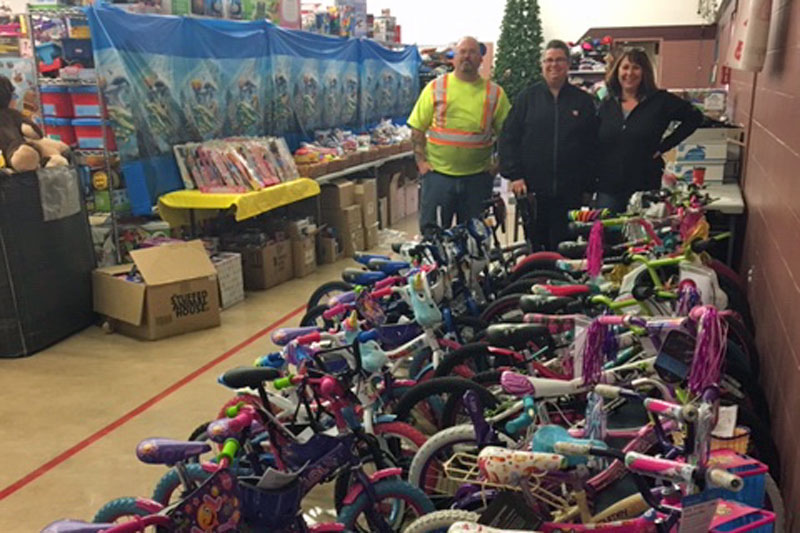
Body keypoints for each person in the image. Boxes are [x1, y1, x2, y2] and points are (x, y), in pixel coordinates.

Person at [498, 40, 598, 251]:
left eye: (560, 60)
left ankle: (564, 284)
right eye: (549, 60)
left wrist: (589, 186)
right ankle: (536, 281)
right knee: (536, 247)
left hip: (571, 191)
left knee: (566, 246)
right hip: (533, 190)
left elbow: (592, 147)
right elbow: (508, 138)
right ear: (542, 65)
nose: (554, 65)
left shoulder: (583, 102)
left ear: (568, 64)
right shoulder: (527, 99)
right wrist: (515, 175)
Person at [407, 36, 511, 234]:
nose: (467, 57)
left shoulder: (495, 93)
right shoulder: (436, 88)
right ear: (453, 58)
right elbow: (417, 128)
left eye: (472, 52)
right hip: (438, 177)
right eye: (462, 52)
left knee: (476, 239)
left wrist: (497, 166)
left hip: (477, 180)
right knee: (434, 239)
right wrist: (421, 163)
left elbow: (508, 134)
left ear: (481, 59)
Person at [595, 48, 703, 212]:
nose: (629, 73)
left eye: (636, 67)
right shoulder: (607, 102)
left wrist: (664, 146)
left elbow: (695, 117)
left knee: (642, 234)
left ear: (645, 72)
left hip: (644, 184)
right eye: (625, 67)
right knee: (607, 233)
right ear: (617, 71)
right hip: (609, 187)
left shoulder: (660, 101)